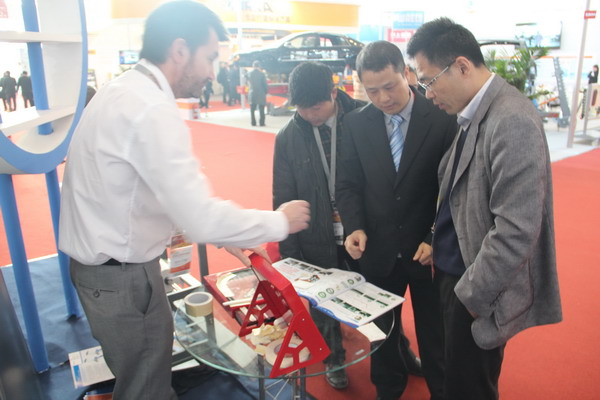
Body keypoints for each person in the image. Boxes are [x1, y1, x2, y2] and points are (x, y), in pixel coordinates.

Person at [58, 2, 310, 399]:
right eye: (209, 58)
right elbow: (200, 217)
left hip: (109, 274)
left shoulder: (123, 91)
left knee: (145, 376)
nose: (212, 72)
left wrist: (230, 236)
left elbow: (145, 191)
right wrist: (280, 221)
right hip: (122, 278)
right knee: (146, 388)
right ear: (179, 50)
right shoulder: (149, 108)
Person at [407, 18, 562, 400]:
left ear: (461, 66)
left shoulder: (511, 119)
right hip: (454, 273)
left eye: (429, 81)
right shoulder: (473, 111)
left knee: (470, 387)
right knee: (451, 379)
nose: (428, 94)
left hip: (475, 285)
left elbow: (517, 229)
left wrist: (472, 299)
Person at [336, 41, 456, 400]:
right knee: (381, 334)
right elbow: (348, 183)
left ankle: (442, 391)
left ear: (407, 73)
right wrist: (355, 226)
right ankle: (388, 390)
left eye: (390, 86)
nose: (383, 98)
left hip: (427, 251)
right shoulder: (355, 124)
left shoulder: (442, 117)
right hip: (379, 248)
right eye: (372, 91)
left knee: (436, 334)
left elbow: (454, 188)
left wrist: (435, 237)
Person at [248, 60, 268, 126]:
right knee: (261, 109)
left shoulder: (249, 73)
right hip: (261, 93)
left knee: (252, 109)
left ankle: (253, 122)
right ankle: (262, 122)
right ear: (259, 66)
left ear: (253, 66)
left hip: (252, 92)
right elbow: (265, 84)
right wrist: (266, 91)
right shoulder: (262, 74)